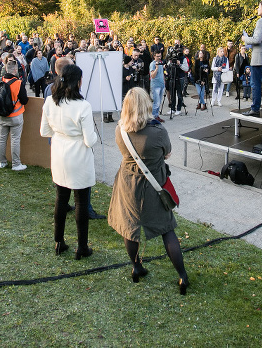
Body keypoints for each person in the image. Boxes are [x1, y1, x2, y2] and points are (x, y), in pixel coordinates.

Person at [108, 87, 189, 294]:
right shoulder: (158, 131)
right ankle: (182, 276)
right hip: (154, 184)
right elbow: (167, 153)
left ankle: (136, 267)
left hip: (128, 184)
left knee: (130, 227)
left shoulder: (120, 130)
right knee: (167, 229)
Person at [39, 64, 99, 260]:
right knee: (81, 201)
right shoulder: (83, 106)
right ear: (78, 82)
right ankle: (82, 246)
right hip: (78, 155)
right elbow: (90, 140)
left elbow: (44, 132)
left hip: (59, 152)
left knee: (61, 198)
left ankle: (59, 241)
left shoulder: (49, 101)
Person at [0, 59, 29, 171]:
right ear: (15, 70)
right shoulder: (18, 83)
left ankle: (2, 162)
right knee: (15, 139)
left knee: (2, 139)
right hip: (15, 116)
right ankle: (16, 164)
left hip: (2, 115)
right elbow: (24, 100)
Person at [148, 52, 166, 122]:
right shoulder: (153, 64)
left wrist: (164, 82)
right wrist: (156, 68)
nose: (159, 58)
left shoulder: (160, 63)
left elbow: (162, 74)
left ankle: (156, 115)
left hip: (161, 85)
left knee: (159, 102)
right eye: (158, 56)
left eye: (160, 56)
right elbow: (152, 76)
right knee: (156, 102)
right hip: (155, 86)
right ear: (154, 56)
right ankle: (152, 117)